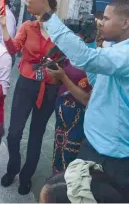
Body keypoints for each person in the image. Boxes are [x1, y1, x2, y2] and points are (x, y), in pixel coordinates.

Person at [25, 0, 129, 201]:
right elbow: (96, 80)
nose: (100, 22)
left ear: (125, 23)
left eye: (106, 18)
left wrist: (47, 16)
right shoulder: (119, 49)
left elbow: (85, 59)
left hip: (112, 158)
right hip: (96, 147)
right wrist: (94, 42)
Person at [0, 0, 60, 195]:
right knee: (14, 132)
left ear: (52, 8)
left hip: (50, 86)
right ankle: (13, 168)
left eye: (43, 3)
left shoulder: (61, 32)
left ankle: (27, 176)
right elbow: (13, 49)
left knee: (37, 134)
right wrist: (4, 28)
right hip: (26, 84)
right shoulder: (28, 26)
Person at [46, 41, 94, 173]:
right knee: (59, 146)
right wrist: (55, 72)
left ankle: (66, 186)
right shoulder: (71, 52)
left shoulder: (95, 58)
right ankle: (55, 180)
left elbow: (86, 99)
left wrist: (63, 77)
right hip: (62, 108)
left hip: (79, 114)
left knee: (71, 150)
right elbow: (60, 81)